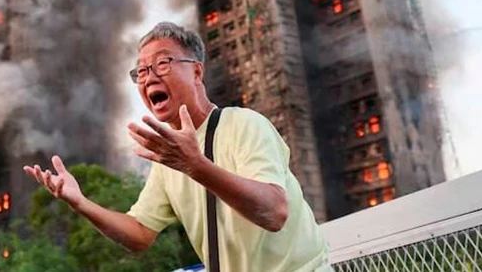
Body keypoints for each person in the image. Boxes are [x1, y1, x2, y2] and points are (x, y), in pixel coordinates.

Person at [24, 22, 332, 271]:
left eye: (163, 63)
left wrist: (195, 166)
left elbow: (274, 212)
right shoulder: (168, 160)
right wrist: (80, 202)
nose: (149, 77)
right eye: (141, 71)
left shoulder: (244, 125)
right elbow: (140, 234)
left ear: (197, 71)